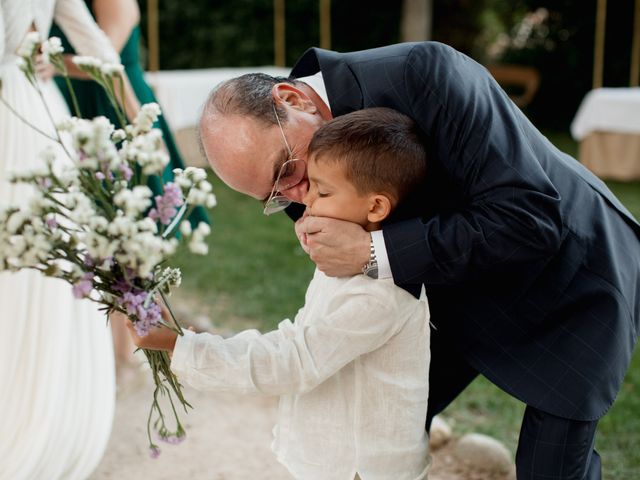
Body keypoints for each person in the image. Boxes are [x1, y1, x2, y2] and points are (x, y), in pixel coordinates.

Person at [197, 42, 640, 480]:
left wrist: (372, 252)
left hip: (571, 277)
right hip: (447, 283)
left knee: (551, 471)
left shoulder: (423, 74)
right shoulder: (298, 173)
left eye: (286, 172)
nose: (298, 200)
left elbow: (530, 219)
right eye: (275, 198)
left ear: (292, 99)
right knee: (365, 426)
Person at [120, 107, 432, 480]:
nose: (308, 201)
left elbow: (293, 360)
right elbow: (298, 338)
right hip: (333, 458)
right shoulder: (345, 268)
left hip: (359, 467)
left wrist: (182, 345)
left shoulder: (381, 294)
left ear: (376, 206)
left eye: (324, 191)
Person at [0, 1, 137, 478]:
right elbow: (100, 50)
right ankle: (43, 405)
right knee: (45, 274)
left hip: (14, 118)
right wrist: (141, 126)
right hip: (40, 115)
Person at [48, 0, 209, 378]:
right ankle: (108, 353)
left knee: (131, 239)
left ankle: (132, 352)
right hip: (71, 107)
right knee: (91, 235)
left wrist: (46, 62)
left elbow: (106, 60)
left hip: (116, 106)